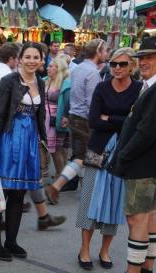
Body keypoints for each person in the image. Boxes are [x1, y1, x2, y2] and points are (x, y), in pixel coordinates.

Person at [98, 36, 156, 273]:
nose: (143, 62)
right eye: (141, 57)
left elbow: (147, 132)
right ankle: (146, 270)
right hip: (151, 164)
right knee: (149, 216)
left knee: (137, 218)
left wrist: (123, 156)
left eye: (149, 57)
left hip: (144, 165)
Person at [77, 47, 142, 271]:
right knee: (89, 200)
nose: (117, 68)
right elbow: (94, 121)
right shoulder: (102, 87)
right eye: (114, 63)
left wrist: (110, 117)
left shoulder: (139, 89)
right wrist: (122, 119)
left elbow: (137, 123)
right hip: (97, 149)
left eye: (122, 64)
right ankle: (84, 249)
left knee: (114, 203)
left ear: (132, 65)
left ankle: (104, 250)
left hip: (124, 153)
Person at [0, 43, 47, 261]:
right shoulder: (8, 81)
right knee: (0, 192)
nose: (31, 61)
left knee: (19, 194)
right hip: (9, 139)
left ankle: (11, 241)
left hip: (29, 142)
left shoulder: (40, 81)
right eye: (27, 57)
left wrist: (42, 141)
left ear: (41, 60)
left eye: (35, 57)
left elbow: (40, 117)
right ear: (19, 58)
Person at [47, 39, 108, 203]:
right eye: (105, 51)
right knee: (94, 156)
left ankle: (58, 185)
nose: (107, 55)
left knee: (80, 157)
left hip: (74, 117)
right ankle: (91, 194)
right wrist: (99, 121)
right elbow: (92, 102)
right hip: (86, 120)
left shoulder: (79, 68)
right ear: (98, 52)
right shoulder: (93, 73)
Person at [44, 57, 70, 179]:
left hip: (57, 120)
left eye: (50, 66)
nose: (47, 68)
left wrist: (66, 117)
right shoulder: (45, 80)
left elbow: (69, 103)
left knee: (57, 149)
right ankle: (60, 173)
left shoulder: (66, 84)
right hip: (45, 119)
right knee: (49, 148)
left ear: (58, 68)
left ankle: (62, 176)